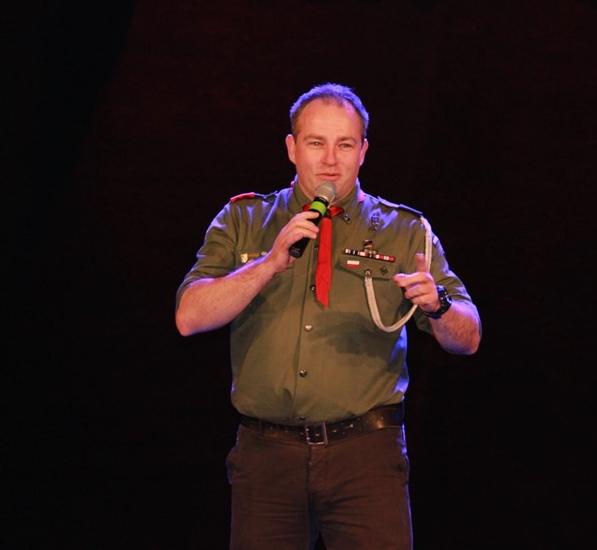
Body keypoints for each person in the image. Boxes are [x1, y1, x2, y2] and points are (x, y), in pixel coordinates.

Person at [175, 83, 482, 549]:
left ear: (363, 152)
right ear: (292, 148)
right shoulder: (243, 219)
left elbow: (469, 337)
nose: (331, 161)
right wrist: (267, 264)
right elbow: (189, 317)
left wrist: (438, 305)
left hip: (366, 456)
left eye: (345, 145)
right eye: (316, 143)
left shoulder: (404, 230)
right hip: (267, 456)